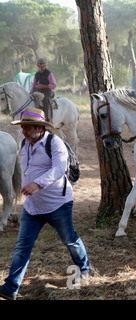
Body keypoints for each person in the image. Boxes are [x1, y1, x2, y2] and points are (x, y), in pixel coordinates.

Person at [0, 108, 91, 300]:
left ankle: (84, 270)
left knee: (70, 240)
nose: (23, 131)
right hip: (32, 207)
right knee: (22, 247)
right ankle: (10, 288)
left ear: (39, 127)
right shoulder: (25, 144)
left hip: (57, 204)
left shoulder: (55, 143)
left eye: (27, 127)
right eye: (22, 127)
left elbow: (59, 169)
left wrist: (37, 184)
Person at [30, 58, 57, 123]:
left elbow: (54, 85)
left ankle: (48, 121)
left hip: (46, 93)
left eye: (43, 64)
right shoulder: (37, 74)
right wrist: (30, 93)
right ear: (38, 65)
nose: (42, 65)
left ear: (45, 65)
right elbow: (34, 85)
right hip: (37, 92)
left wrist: (43, 86)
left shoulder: (49, 73)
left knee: (46, 102)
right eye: (40, 64)